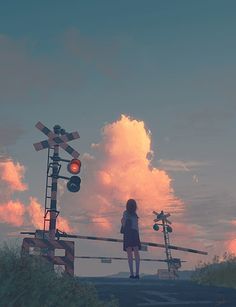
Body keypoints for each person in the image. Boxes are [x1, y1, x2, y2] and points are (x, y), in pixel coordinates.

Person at [121, 199, 141, 279]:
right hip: (135, 234)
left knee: (129, 254)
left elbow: (124, 223)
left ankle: (132, 273)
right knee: (136, 253)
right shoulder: (135, 215)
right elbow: (136, 227)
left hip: (128, 234)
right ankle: (137, 273)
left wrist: (122, 222)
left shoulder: (125, 213)